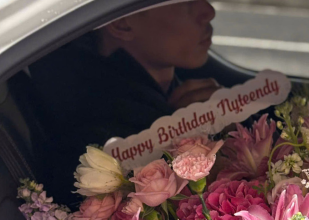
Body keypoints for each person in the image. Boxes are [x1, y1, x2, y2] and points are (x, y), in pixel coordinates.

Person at [29, 0, 220, 206]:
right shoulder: (106, 127)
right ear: (122, 24)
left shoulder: (167, 92)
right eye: (183, 2)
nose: (208, 11)